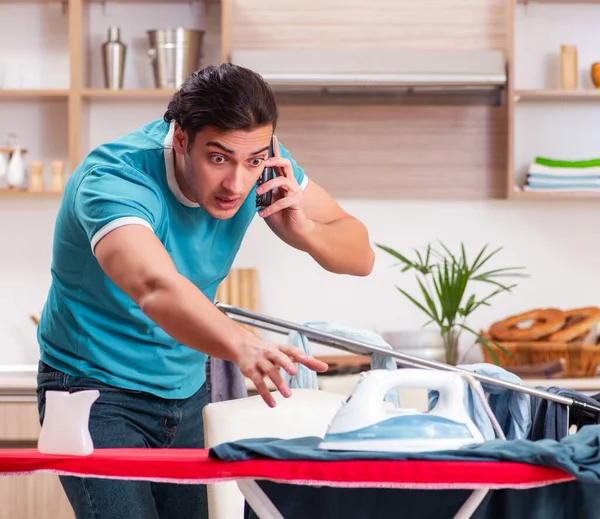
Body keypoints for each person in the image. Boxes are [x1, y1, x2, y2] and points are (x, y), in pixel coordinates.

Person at [35, 62, 375, 519]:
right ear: (180, 138)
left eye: (252, 161)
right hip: (94, 391)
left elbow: (361, 255)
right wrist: (243, 345)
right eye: (218, 159)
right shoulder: (115, 179)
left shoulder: (259, 160)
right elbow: (154, 287)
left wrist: (305, 228)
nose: (236, 183)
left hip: (187, 392)